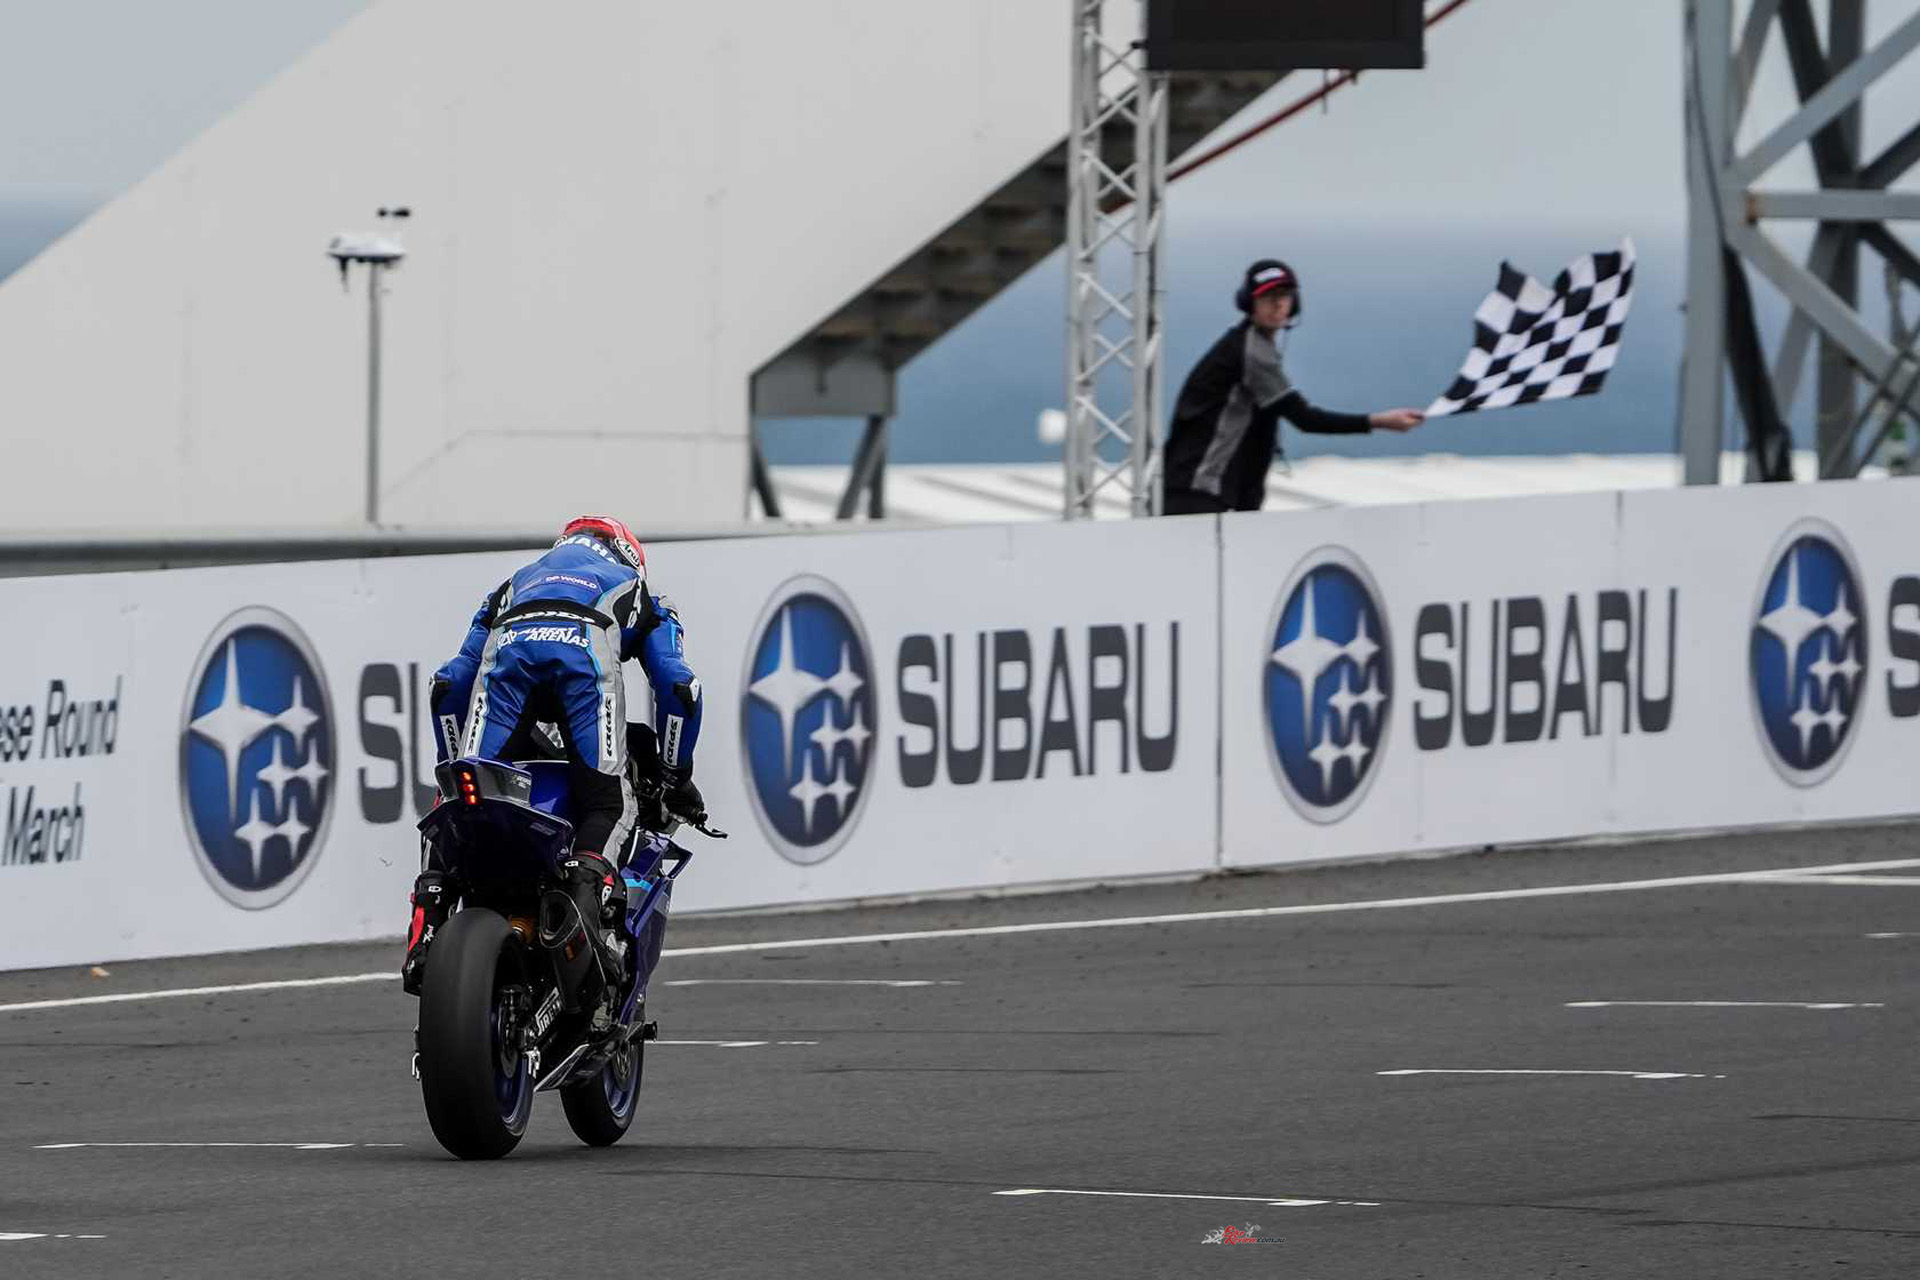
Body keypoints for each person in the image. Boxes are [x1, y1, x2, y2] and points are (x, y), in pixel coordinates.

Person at [401, 514, 706, 995]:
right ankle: (582, 908)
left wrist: (451, 763)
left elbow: (449, 684)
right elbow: (680, 687)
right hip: (586, 663)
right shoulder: (638, 590)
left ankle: (427, 927)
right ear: (631, 557)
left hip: (509, 660)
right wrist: (674, 774)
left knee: (462, 798)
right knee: (610, 804)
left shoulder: (513, 585)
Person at [1161, 258, 1425, 515]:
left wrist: (1249, 507)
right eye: (1268, 297)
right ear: (1250, 303)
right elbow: (1305, 418)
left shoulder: (1248, 345)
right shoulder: (1253, 352)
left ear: (1294, 302)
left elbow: (1260, 432)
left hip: (1194, 488)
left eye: (1284, 295)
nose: (1277, 304)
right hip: (1197, 490)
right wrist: (1379, 421)